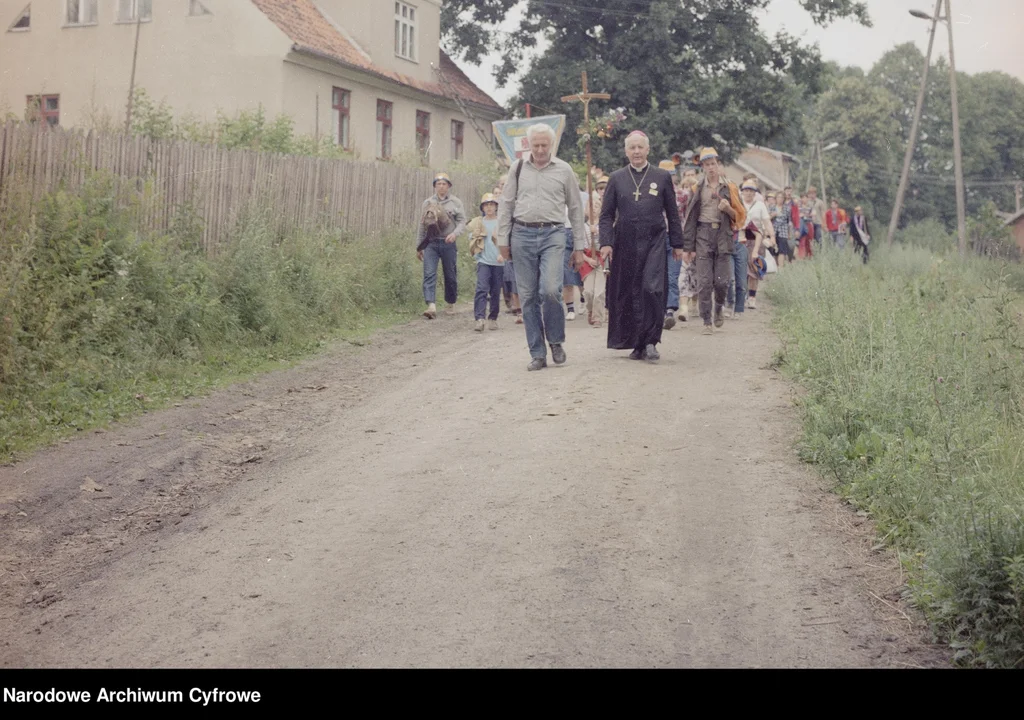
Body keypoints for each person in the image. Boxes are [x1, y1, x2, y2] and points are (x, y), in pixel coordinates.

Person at [497, 124, 587, 372]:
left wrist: (579, 246)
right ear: (529, 145)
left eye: (544, 145)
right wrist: (503, 239)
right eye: (535, 145)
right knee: (527, 297)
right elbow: (505, 205)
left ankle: (556, 341)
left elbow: (576, 209)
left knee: (550, 289)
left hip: (553, 234)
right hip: (522, 235)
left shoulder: (564, 170)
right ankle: (537, 353)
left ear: (551, 145)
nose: (539, 150)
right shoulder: (517, 169)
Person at [598, 131, 683, 362]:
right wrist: (605, 242)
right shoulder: (616, 178)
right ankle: (637, 342)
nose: (636, 152)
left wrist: (677, 243)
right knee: (629, 291)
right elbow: (606, 215)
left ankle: (652, 340)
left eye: (640, 147)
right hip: (624, 241)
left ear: (648, 150)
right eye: (632, 148)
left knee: (651, 288)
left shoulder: (662, 176)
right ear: (626, 151)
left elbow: (672, 213)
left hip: (654, 239)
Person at [681, 147, 745, 335]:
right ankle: (707, 320)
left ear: (718, 165)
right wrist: (688, 247)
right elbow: (690, 219)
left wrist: (727, 209)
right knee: (704, 281)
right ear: (703, 167)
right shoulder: (697, 188)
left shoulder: (730, 187)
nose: (711, 168)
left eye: (713, 164)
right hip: (703, 234)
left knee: (722, 282)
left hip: (723, 235)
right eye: (707, 165)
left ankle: (719, 307)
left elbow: (740, 216)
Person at [416, 172, 466, 319]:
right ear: (435, 186)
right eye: (438, 184)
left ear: (449, 186)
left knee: (450, 275)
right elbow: (422, 226)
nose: (441, 187)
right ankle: (431, 305)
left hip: (448, 242)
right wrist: (419, 246)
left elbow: (462, 221)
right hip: (431, 243)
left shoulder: (456, 202)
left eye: (444, 184)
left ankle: (450, 301)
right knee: (429, 273)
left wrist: (454, 234)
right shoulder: (427, 203)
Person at [468, 193, 505, 332]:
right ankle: (479, 318)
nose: (489, 208)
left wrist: (503, 254)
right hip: (483, 261)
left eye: (492, 205)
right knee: (481, 289)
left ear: (496, 207)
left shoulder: (501, 222)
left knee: (495, 291)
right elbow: (472, 239)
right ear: (482, 207)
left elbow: (507, 239)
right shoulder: (479, 222)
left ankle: (493, 318)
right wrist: (476, 254)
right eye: (486, 205)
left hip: (498, 261)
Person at [740, 180, 774, 310]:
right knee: (742, 269)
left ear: (755, 193)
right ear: (742, 192)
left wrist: (772, 236)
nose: (748, 193)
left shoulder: (760, 205)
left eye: (751, 191)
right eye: (746, 190)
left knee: (754, 269)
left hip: (756, 240)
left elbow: (766, 222)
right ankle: (742, 295)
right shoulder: (738, 203)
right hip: (741, 239)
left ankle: (752, 297)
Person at [660, 159, 685, 330]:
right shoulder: (652, 192)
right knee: (658, 276)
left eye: (671, 175)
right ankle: (659, 310)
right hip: (657, 239)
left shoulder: (683, 195)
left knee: (672, 276)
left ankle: (669, 310)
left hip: (675, 239)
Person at [676, 167, 700, 322]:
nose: (687, 192)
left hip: (698, 243)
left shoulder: (699, 205)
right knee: (683, 274)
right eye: (684, 188)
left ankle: (695, 302)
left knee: (696, 274)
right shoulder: (678, 207)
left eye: (690, 189)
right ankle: (683, 307)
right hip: (683, 242)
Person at [768, 192, 793, 266]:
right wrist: (772, 215)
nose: (780, 199)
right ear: (776, 198)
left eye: (782, 197)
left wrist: (789, 233)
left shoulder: (787, 208)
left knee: (782, 250)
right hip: (773, 231)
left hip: (783, 231)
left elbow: (789, 221)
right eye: (778, 197)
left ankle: (781, 268)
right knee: (773, 250)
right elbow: (767, 219)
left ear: (784, 199)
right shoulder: (771, 207)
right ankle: (775, 267)